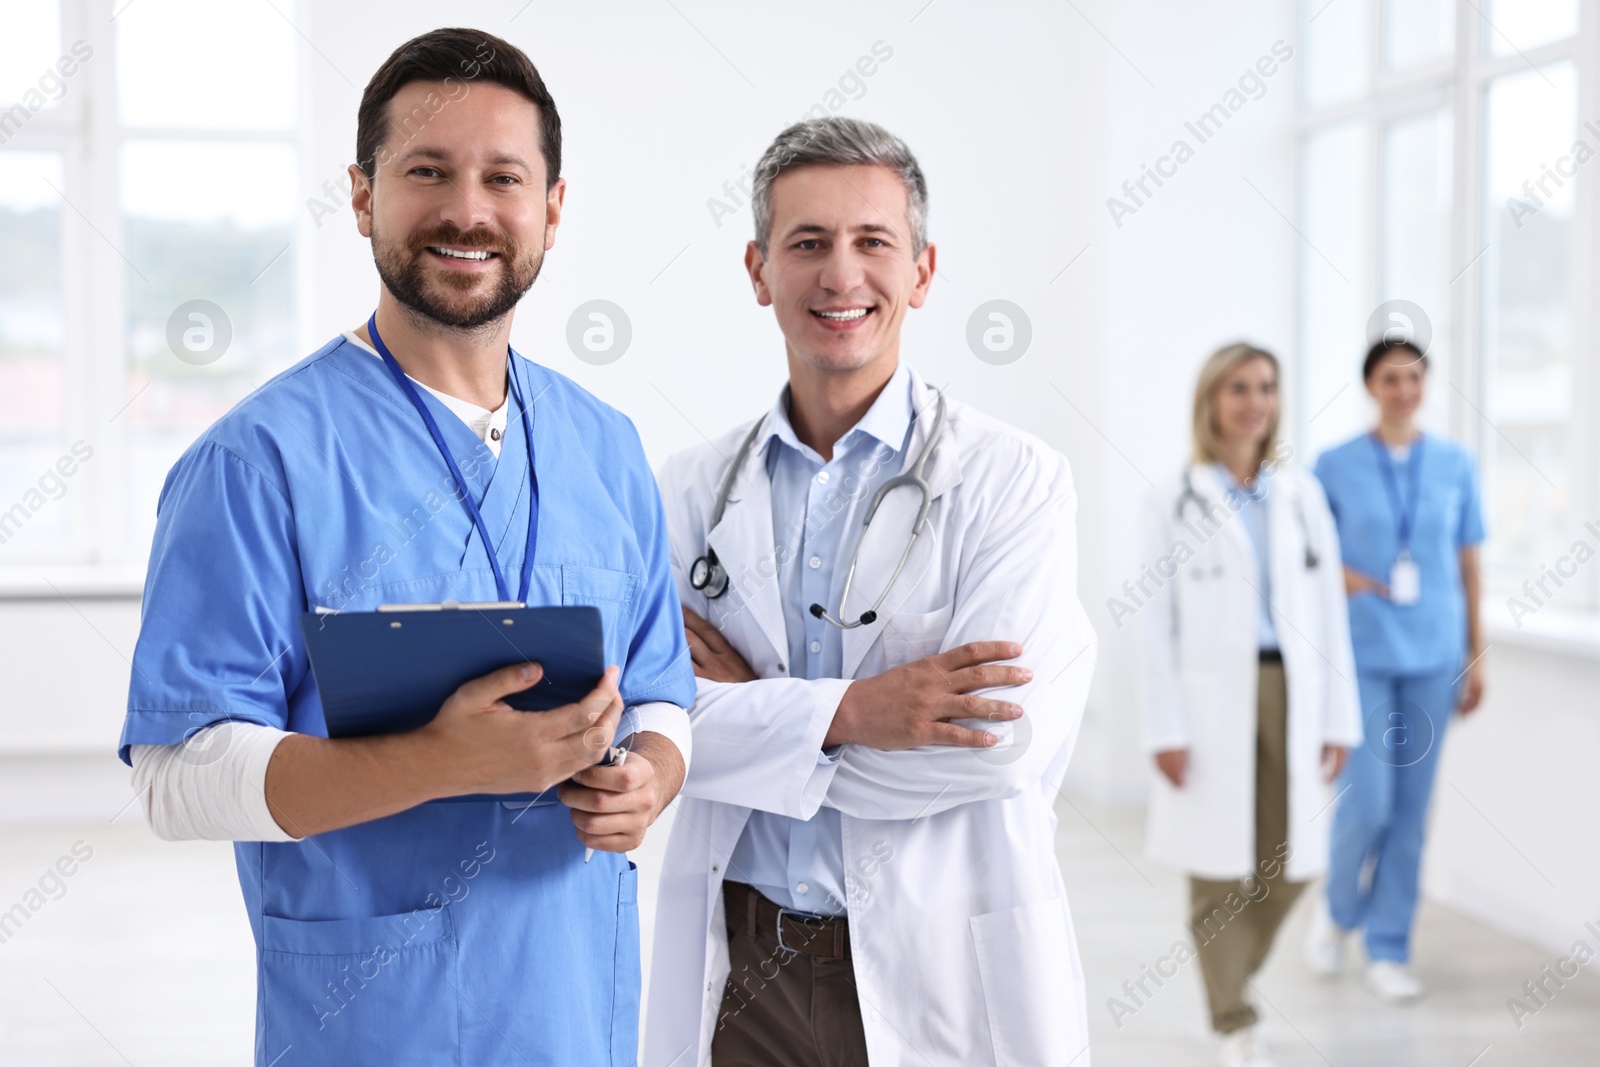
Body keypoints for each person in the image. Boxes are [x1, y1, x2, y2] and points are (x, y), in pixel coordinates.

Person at [117, 29, 694, 1065]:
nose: (466, 210)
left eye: (502, 177)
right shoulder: (258, 460)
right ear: (361, 193)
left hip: (574, 1006)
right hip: (373, 1019)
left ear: (552, 207)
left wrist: (651, 771)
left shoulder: (604, 446)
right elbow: (175, 771)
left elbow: (661, 690)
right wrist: (436, 762)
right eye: (426, 171)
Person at [641, 116, 1098, 1067]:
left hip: (940, 958)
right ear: (758, 270)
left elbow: (994, 747)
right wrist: (862, 709)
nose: (840, 275)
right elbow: (647, 725)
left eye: (872, 242)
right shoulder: (686, 488)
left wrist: (747, 719)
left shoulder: (1013, 480)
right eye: (807, 243)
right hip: (746, 965)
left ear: (923, 271)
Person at [1140, 343, 1361, 1067]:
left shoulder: (1300, 498)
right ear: (1211, 400)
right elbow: (1154, 623)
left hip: (1293, 691)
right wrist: (1164, 726)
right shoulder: (1172, 499)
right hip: (1210, 701)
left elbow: (1329, 613)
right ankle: (1234, 1015)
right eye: (1238, 387)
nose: (1254, 401)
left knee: (1291, 862)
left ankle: (1233, 973)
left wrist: (1340, 718)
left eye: (1266, 386)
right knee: (1215, 868)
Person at [1305, 339, 1486, 1000]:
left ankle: (1388, 945)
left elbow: (1469, 563)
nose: (1403, 388)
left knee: (1412, 811)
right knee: (1369, 802)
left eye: (1414, 377)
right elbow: (1307, 556)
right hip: (1364, 657)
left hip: (1435, 656)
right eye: (1390, 377)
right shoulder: (1335, 465)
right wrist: (1342, 575)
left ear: (1426, 384)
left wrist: (1476, 652)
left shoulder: (1455, 464)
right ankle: (1337, 908)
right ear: (1370, 386)